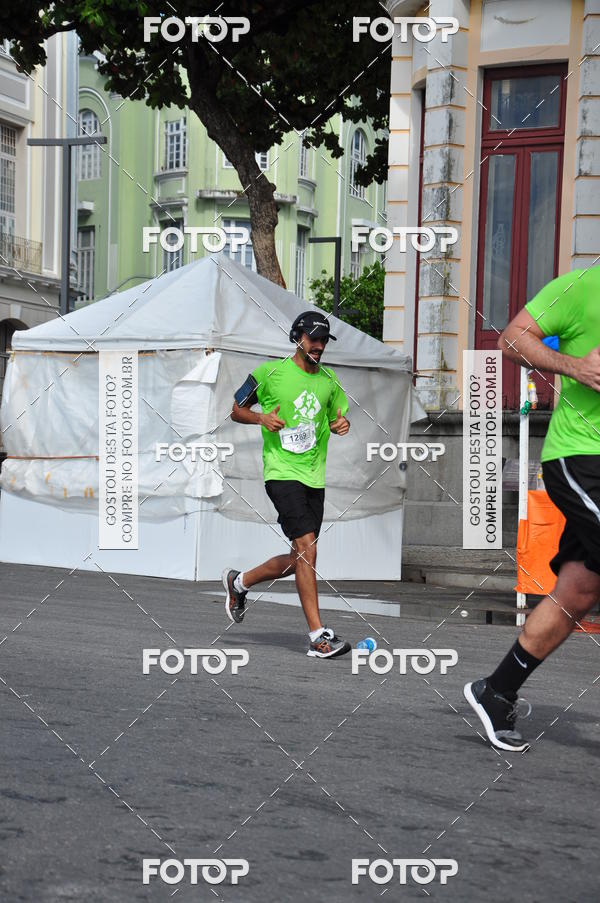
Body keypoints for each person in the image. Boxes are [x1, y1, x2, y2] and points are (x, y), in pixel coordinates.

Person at [465, 266, 600, 751]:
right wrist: (576, 366)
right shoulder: (582, 286)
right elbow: (514, 337)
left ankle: (496, 691)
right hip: (581, 456)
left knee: (580, 591)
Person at [223, 310, 352, 658]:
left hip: (314, 477)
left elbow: (339, 416)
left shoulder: (329, 381)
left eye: (324, 340)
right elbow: (236, 409)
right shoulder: (270, 373)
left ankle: (240, 582)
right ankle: (317, 637)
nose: (319, 346)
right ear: (298, 338)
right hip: (281, 474)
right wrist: (260, 417)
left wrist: (343, 425)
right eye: (313, 339)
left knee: (299, 559)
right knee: (309, 549)